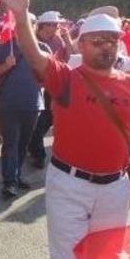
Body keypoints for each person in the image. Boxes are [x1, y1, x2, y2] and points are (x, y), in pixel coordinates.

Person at [0, 0, 130, 259]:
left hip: (115, 190)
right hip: (68, 187)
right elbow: (34, 56)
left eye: (111, 40)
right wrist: (21, 17)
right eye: (96, 40)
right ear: (81, 44)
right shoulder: (65, 78)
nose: (105, 46)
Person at [0, 13, 51, 198]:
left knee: (23, 144)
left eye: (28, 25)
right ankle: (9, 182)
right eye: (20, 25)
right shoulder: (4, 49)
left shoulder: (43, 48)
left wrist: (43, 79)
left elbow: (50, 74)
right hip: (9, 104)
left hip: (33, 104)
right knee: (10, 143)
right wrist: (6, 66)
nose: (23, 28)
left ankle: (17, 174)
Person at [27, 11, 76, 168]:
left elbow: (70, 58)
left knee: (45, 121)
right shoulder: (33, 40)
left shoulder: (58, 40)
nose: (56, 28)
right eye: (53, 25)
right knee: (35, 122)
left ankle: (37, 152)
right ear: (43, 26)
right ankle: (35, 151)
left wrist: (67, 40)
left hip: (52, 85)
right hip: (32, 86)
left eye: (57, 25)